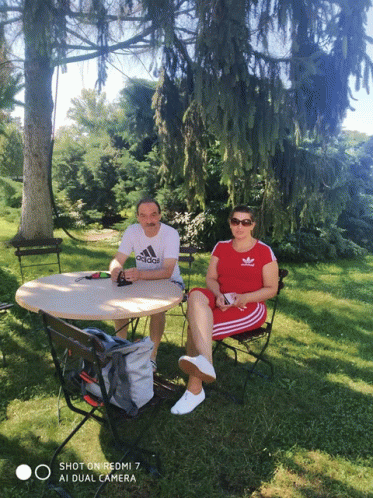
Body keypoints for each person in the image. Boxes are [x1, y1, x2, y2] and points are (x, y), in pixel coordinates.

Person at [170, 205, 279, 415]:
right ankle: (206, 364)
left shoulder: (264, 251)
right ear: (230, 223)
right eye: (235, 221)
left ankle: (194, 389)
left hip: (249, 305)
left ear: (253, 225)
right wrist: (218, 294)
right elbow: (210, 278)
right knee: (196, 296)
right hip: (220, 297)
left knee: (196, 326)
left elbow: (271, 289)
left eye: (245, 222)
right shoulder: (221, 247)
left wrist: (244, 297)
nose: (240, 227)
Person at [109, 198, 183, 371]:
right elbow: (118, 259)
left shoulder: (170, 234)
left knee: (157, 309)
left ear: (160, 215)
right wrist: (115, 269)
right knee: (119, 302)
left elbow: (168, 271)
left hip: (169, 282)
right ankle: (122, 347)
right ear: (137, 217)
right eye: (143, 216)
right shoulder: (132, 231)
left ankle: (152, 356)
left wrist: (140, 274)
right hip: (142, 281)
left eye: (153, 215)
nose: (149, 220)